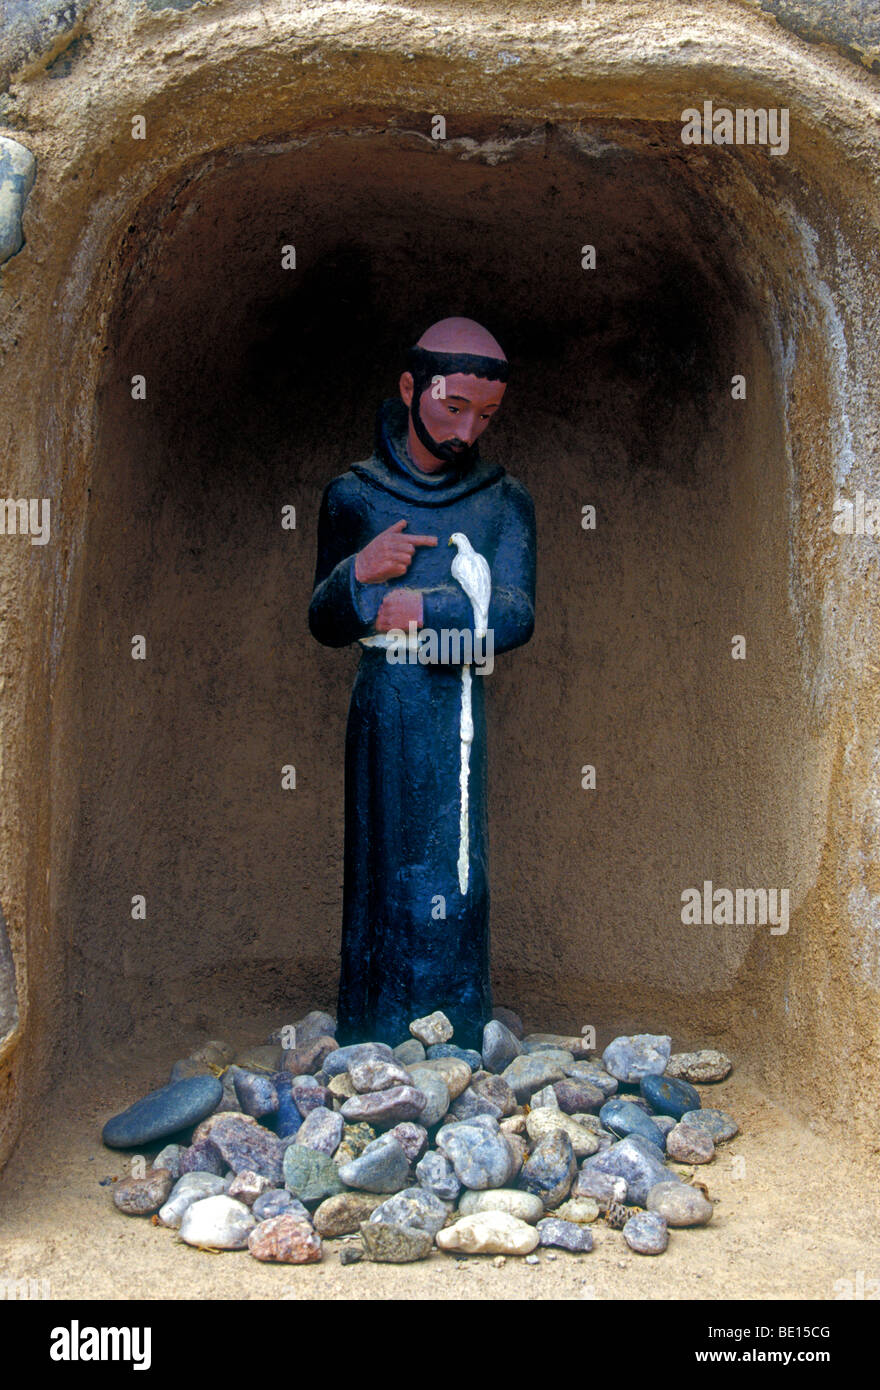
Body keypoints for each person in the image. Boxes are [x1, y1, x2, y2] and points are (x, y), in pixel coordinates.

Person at [309, 317, 536, 1049]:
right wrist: (360, 574)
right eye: (453, 407)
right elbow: (322, 620)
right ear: (411, 388)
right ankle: (373, 1028)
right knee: (382, 862)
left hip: (455, 712)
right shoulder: (355, 497)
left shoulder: (503, 502)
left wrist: (425, 608)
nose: (468, 429)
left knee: (454, 860)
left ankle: (456, 1028)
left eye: (487, 415)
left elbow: (515, 614)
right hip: (384, 706)